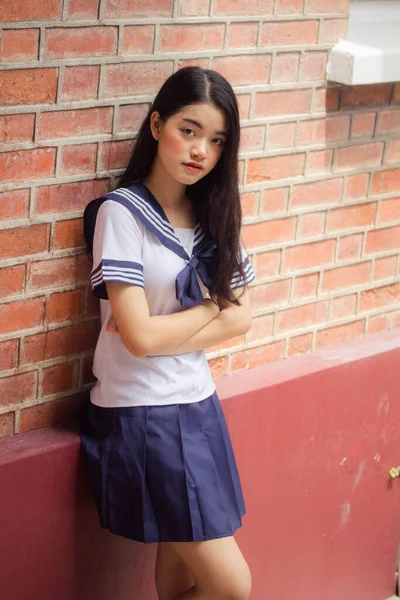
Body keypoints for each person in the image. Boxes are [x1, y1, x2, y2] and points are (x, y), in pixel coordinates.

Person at [81, 66, 255, 600]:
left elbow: (243, 317)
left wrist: (206, 318)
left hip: (198, 404)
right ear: (156, 125)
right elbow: (138, 337)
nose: (201, 149)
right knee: (232, 586)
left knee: (180, 577)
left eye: (216, 139)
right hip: (143, 412)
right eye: (188, 129)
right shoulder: (122, 214)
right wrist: (213, 311)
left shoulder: (212, 214)